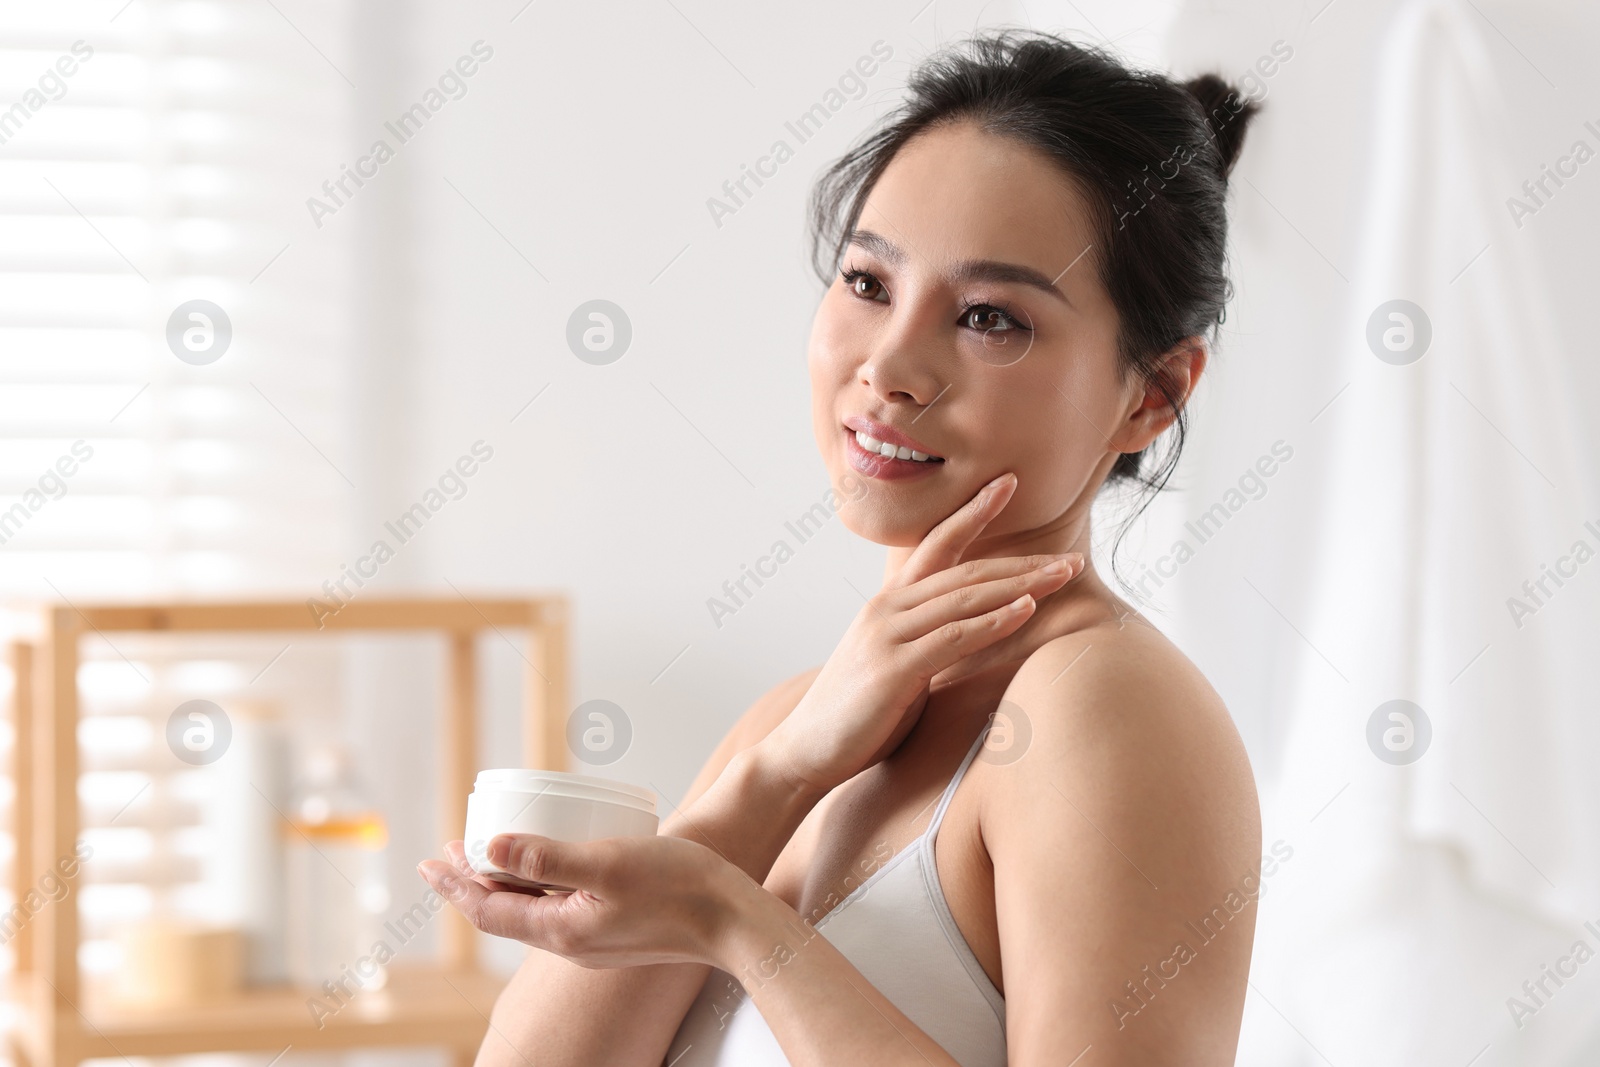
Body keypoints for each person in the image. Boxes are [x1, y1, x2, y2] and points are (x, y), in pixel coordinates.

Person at [418, 27, 1264, 1067]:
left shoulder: (1100, 705)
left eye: (990, 316)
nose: (891, 367)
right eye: (868, 283)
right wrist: (775, 775)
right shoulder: (793, 718)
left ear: (1153, 394)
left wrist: (739, 923)